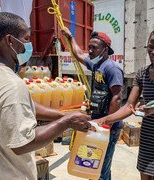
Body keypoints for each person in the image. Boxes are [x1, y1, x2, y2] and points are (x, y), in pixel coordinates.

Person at [0, 12, 91, 180]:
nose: (29, 44)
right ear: (10, 41)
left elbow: (22, 104)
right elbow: (23, 143)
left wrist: (62, 114)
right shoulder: (11, 85)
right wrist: (66, 122)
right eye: (25, 38)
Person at [93, 27, 154, 180]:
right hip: (148, 137)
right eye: (150, 47)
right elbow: (129, 107)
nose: (153, 52)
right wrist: (104, 120)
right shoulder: (142, 73)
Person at [62, 28, 123, 180]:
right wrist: (70, 37)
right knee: (94, 165)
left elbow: (117, 97)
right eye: (89, 47)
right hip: (96, 124)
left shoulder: (111, 68)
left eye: (94, 47)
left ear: (105, 50)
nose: (90, 50)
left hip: (108, 127)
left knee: (100, 168)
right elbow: (77, 54)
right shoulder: (96, 64)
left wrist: (107, 124)